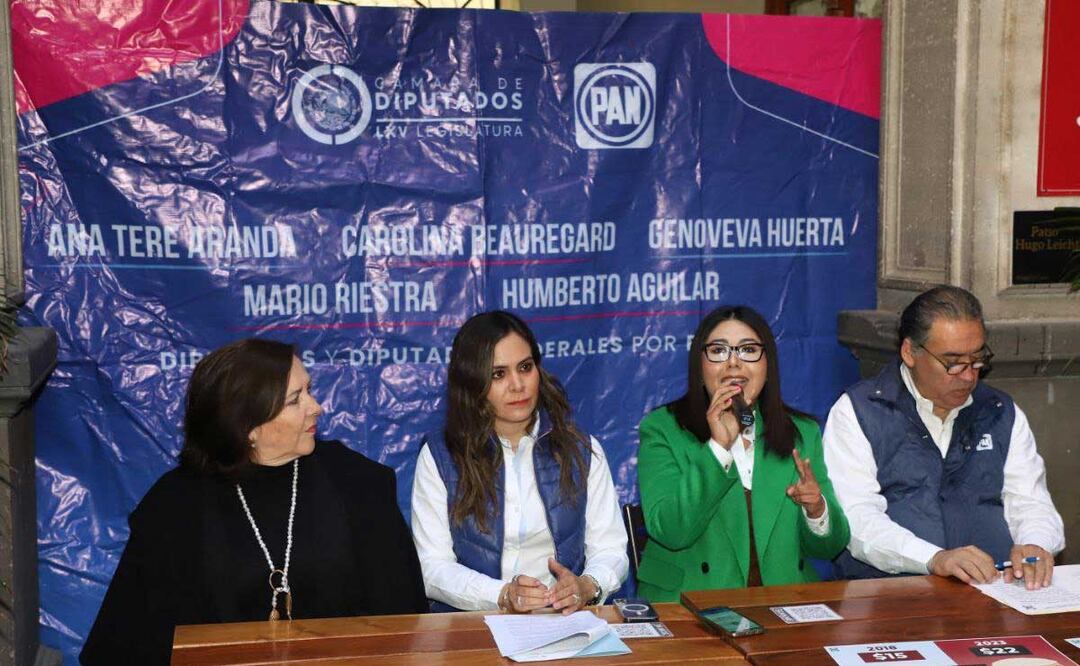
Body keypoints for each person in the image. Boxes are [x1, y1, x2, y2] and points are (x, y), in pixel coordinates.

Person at [81, 339, 427, 665]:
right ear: (248, 426)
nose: (316, 407)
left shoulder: (357, 483)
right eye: (295, 399)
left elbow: (402, 617)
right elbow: (131, 641)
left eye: (309, 390)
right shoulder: (176, 507)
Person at [824, 286, 1065, 588]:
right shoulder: (859, 412)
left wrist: (1035, 544)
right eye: (953, 362)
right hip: (892, 593)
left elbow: (1031, 502)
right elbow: (856, 521)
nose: (968, 376)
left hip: (997, 590)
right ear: (910, 352)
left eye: (977, 359)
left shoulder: (1000, 411)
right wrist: (934, 559)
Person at [410, 311, 628, 613]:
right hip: (472, 625)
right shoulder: (440, 456)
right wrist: (502, 595)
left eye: (525, 368)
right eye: (498, 374)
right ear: (472, 384)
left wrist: (587, 585)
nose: (517, 385)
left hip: (564, 621)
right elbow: (432, 568)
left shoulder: (581, 450)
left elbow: (611, 549)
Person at [636, 306, 850, 601]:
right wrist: (718, 448)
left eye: (748, 350)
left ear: (767, 366)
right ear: (700, 366)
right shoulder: (662, 429)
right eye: (719, 351)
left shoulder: (801, 432)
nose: (734, 363)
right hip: (690, 608)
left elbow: (829, 548)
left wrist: (816, 509)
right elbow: (671, 531)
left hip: (782, 604)